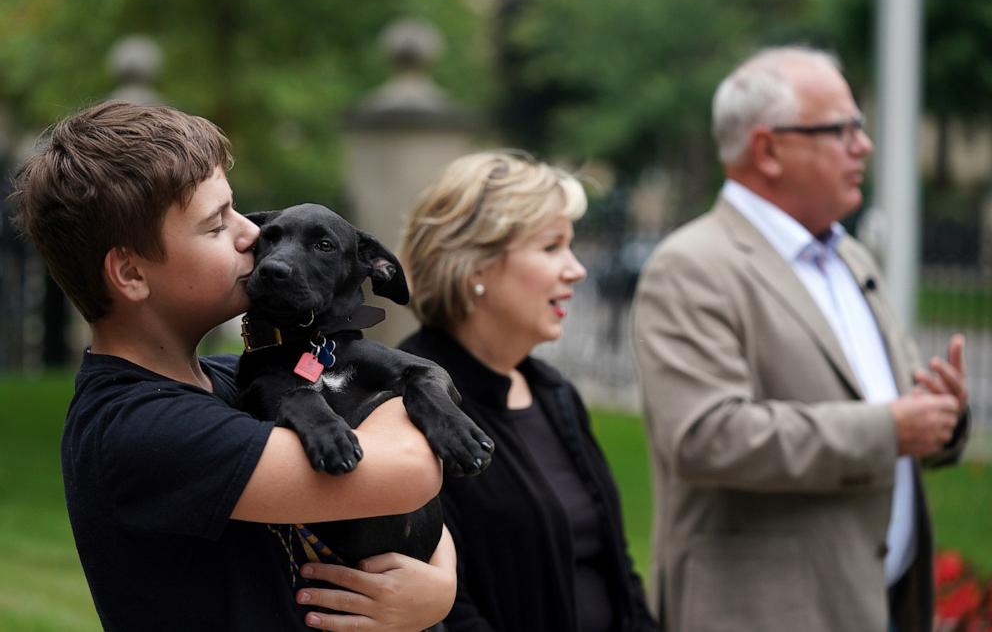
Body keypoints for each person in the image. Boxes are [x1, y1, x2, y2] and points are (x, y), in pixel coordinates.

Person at [10, 99, 456, 631]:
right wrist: (403, 388)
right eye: (216, 225)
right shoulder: (140, 429)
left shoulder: (234, 375)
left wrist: (439, 585)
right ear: (130, 273)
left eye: (236, 209)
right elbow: (408, 474)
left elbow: (409, 507)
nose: (252, 234)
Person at [630, 46, 970, 632]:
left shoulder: (850, 256)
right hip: (765, 611)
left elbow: (897, 406)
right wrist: (889, 429)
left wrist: (943, 416)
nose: (863, 146)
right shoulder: (692, 265)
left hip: (875, 599)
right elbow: (706, 435)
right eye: (842, 130)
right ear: (768, 149)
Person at [397, 151, 657, 632]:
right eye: (552, 246)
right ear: (476, 264)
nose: (576, 269)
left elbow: (615, 568)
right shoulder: (409, 406)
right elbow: (446, 609)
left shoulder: (555, 393)